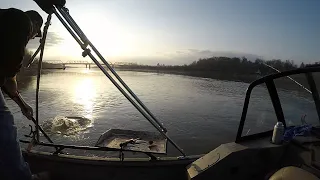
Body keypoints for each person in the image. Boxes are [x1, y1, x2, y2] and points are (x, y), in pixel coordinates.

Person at [0, 8, 47, 180]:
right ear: (35, 24)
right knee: (4, 125)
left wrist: (22, 105)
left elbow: (3, 77)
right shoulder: (21, 20)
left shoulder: (4, 20)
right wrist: (22, 103)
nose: (32, 37)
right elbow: (9, 73)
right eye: (35, 34)